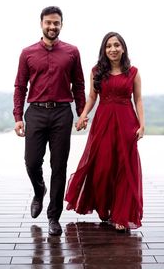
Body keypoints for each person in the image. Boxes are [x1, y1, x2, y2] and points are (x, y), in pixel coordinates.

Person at [13, 6, 86, 236]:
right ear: (41, 24)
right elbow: (19, 86)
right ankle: (39, 190)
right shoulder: (27, 53)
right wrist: (18, 117)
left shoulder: (72, 52)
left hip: (62, 113)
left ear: (61, 25)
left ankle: (54, 217)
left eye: (56, 23)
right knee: (32, 162)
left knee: (59, 166)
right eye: (48, 23)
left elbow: (80, 85)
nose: (52, 26)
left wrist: (81, 113)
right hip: (35, 112)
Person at [65, 31, 144, 231]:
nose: (113, 49)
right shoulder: (96, 71)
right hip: (103, 123)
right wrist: (82, 116)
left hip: (127, 122)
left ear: (123, 48)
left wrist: (142, 125)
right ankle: (104, 208)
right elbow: (92, 97)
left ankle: (121, 215)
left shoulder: (133, 72)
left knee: (125, 169)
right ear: (104, 49)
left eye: (117, 45)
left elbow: (138, 100)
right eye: (109, 46)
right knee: (102, 167)